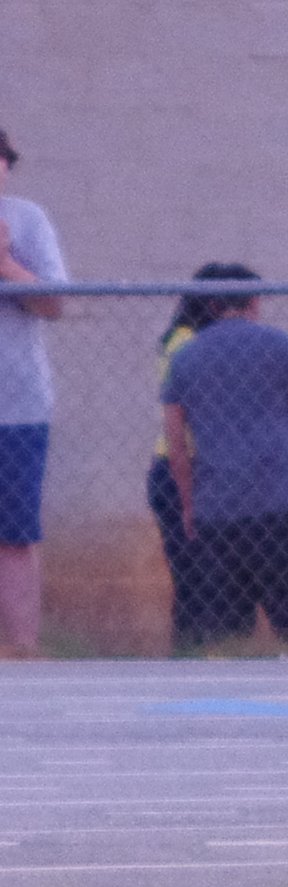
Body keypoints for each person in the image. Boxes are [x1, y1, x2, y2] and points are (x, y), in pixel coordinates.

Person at [161, 264, 288, 653]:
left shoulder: (185, 357)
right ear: (254, 300)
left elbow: (176, 443)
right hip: (279, 498)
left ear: (213, 305)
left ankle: (229, 668)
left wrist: (188, 504)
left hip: (217, 505)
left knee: (224, 623)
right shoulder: (278, 344)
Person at [0, 127, 67, 659]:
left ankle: (22, 648)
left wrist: (5, 263)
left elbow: (54, 303)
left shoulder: (27, 219)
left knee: (16, 533)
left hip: (16, 405)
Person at [147, 264, 232, 650]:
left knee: (208, 569)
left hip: (206, 467)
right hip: (179, 467)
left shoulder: (200, 340)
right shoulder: (185, 342)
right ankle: (191, 648)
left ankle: (204, 647)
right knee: (194, 569)